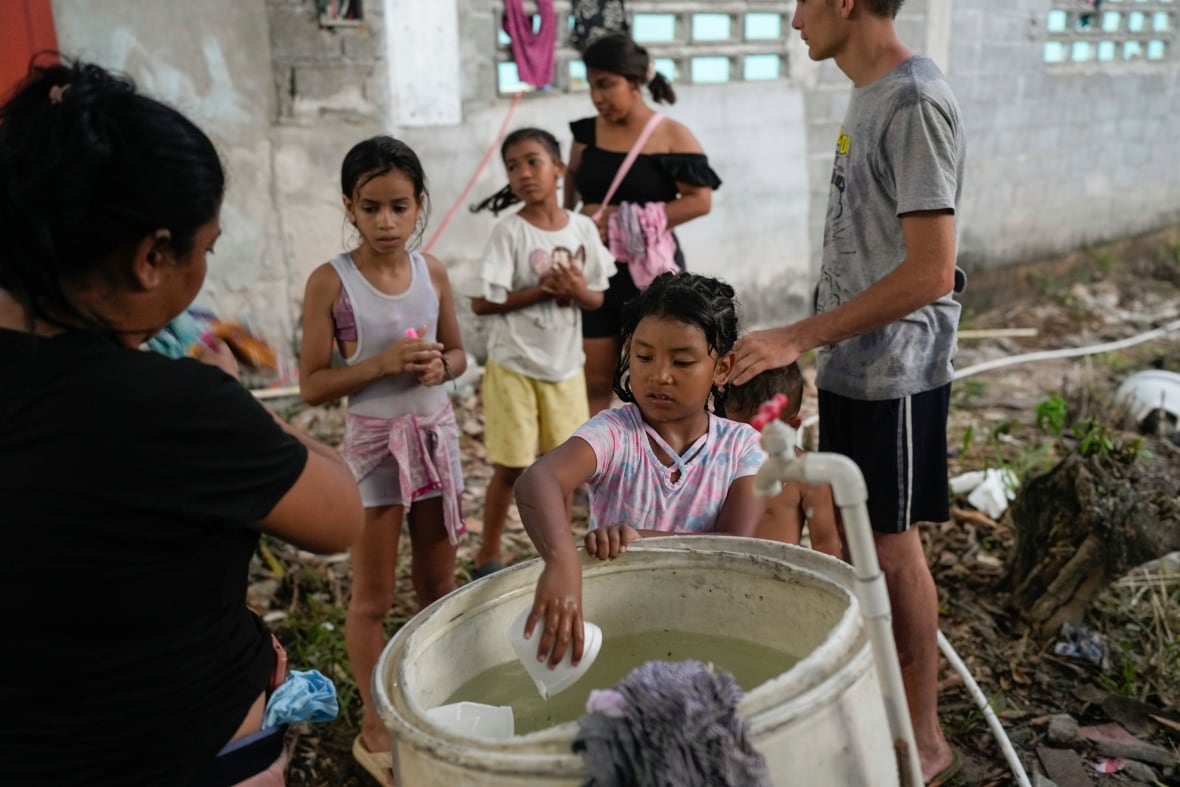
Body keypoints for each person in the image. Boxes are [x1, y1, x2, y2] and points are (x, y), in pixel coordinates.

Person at [0, 59, 364, 786]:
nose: (204, 271)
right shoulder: (171, 408)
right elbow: (340, 516)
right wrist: (228, 396)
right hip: (181, 741)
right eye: (205, 250)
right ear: (150, 257)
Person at [728, 1, 965, 783]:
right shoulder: (868, 96)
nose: (795, 18)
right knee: (870, 538)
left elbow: (931, 270)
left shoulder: (914, 99)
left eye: (802, 0)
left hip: (895, 370)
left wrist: (801, 333)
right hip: (857, 367)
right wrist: (813, 345)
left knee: (893, 547)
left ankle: (925, 740)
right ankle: (891, 717)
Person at [298, 136, 468, 786]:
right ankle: (374, 719)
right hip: (373, 449)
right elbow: (313, 382)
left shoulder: (435, 272)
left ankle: (436, 698)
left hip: (434, 440)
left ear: (420, 204)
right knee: (373, 596)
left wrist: (438, 363)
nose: (387, 222)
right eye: (371, 207)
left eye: (400, 206)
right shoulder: (331, 281)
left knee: (435, 585)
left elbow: (457, 354)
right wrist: (382, 364)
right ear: (350, 207)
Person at [515, 272, 766, 667]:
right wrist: (561, 560)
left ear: (722, 368)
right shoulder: (616, 433)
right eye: (644, 357)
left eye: (682, 361)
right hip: (618, 625)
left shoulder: (741, 448)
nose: (659, 375)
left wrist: (638, 538)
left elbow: (730, 546)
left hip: (707, 629)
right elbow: (538, 480)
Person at [468, 128, 613, 577]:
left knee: (562, 468)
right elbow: (480, 302)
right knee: (511, 467)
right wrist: (540, 293)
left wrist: (575, 290)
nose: (523, 174)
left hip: (565, 368)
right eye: (512, 167)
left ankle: (556, 551)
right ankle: (488, 553)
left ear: (558, 169)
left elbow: (598, 297)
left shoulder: (582, 228)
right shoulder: (509, 232)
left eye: (533, 162)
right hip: (514, 367)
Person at [566, 33, 723, 415]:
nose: (597, 97)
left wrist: (626, 223)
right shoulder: (585, 135)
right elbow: (570, 191)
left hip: (651, 275)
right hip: (598, 272)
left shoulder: (669, 134)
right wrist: (572, 229)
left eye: (606, 85)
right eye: (591, 87)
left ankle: (659, 460)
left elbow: (700, 200)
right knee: (597, 379)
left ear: (634, 81)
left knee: (655, 378)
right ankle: (597, 465)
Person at [724, 364, 843, 559]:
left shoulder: (807, 474)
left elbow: (825, 544)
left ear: (792, 425)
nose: (746, 443)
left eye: (755, 434)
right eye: (735, 430)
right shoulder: (719, 462)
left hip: (780, 580)